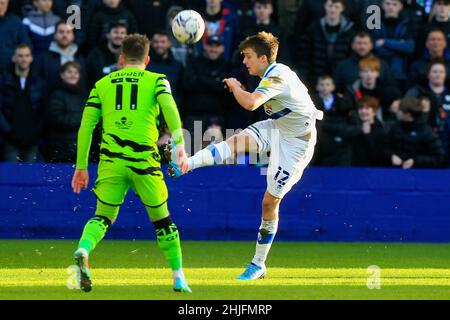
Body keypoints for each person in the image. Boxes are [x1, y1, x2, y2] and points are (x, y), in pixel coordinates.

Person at [168, 32, 323, 280]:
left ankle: (258, 264)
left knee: (269, 203)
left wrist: (236, 86)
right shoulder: (270, 74)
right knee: (237, 141)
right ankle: (187, 164)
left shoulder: (278, 75)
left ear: (263, 57)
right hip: (278, 127)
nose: (244, 62)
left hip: (296, 145)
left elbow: (251, 104)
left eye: (248, 56)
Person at [71, 33, 192, 293]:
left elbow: (86, 127)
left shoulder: (101, 84)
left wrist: (81, 166)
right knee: (162, 219)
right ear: (147, 59)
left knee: (102, 215)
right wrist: (180, 143)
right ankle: (178, 276)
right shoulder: (157, 80)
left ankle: (84, 248)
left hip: (111, 162)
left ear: (121, 58)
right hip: (144, 162)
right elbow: (170, 108)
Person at [0, 44, 46, 162]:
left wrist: (36, 133)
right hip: (10, 140)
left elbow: (44, 111)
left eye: (27, 55)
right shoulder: (4, 82)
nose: (24, 59)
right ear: (14, 58)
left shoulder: (39, 83)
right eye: (20, 56)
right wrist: (8, 132)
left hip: (33, 140)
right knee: (11, 177)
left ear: (31, 58)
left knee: (31, 177)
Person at [295, 0, 355, 88]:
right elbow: (305, 55)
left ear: (342, 8)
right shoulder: (313, 29)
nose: (333, 10)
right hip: (316, 78)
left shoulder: (349, 31)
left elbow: (350, 57)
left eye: (336, 7)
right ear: (325, 6)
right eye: (330, 6)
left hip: (340, 79)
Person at [44, 61, 86, 163]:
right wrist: (82, 120)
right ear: (62, 75)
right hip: (61, 149)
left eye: (76, 72)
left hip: (80, 148)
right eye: (69, 72)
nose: (73, 75)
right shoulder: (56, 94)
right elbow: (56, 119)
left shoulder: (83, 95)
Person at [312, 75, 359, 166]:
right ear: (317, 87)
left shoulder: (342, 101)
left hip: (339, 140)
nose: (325, 87)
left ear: (333, 87)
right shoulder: (311, 101)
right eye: (322, 84)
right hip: (320, 141)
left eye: (327, 84)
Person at [369, 0, 415, 90]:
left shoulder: (407, 24)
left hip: (399, 73)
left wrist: (385, 42)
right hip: (378, 72)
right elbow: (373, 47)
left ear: (401, 6)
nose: (391, 7)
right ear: (382, 5)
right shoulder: (374, 22)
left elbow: (409, 48)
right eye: (388, 4)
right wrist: (399, 46)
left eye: (394, 4)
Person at [388, 97, 445, 169]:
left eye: (399, 110)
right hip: (395, 171)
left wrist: (415, 161)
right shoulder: (395, 128)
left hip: (419, 172)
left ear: (408, 114)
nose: (397, 112)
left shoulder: (426, 132)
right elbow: (386, 148)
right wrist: (391, 156)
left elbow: (439, 157)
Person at [32, 21, 86, 92]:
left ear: (73, 36)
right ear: (55, 35)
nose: (64, 35)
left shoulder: (80, 59)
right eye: (61, 32)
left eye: (68, 32)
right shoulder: (43, 59)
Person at [87, 21, 128, 88]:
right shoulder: (96, 54)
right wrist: (114, 69)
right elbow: (92, 77)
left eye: (122, 33)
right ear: (108, 35)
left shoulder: (130, 54)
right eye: (116, 32)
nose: (119, 36)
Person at [352, 96, 390, 167]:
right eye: (361, 108)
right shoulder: (354, 129)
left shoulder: (381, 131)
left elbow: (377, 156)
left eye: (367, 108)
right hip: (355, 170)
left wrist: (367, 135)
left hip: (373, 171)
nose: (363, 111)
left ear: (374, 111)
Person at [0, 0, 32, 75]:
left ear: (7, 4)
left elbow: (26, 45)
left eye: (2, 3)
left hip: (11, 70)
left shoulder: (16, 22)